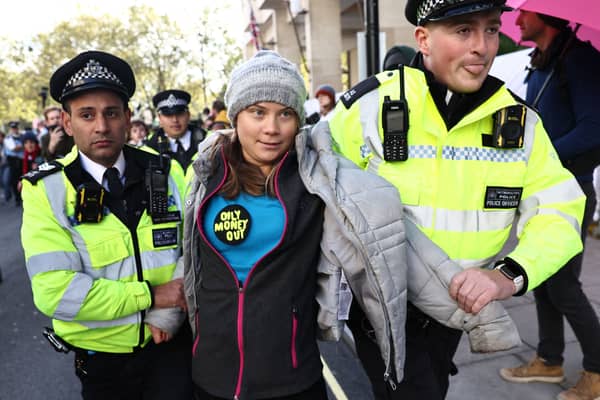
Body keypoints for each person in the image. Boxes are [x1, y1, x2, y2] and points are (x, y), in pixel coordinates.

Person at [181, 49, 523, 400]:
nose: (271, 128)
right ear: (236, 115)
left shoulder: (322, 180)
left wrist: (484, 319)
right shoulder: (205, 173)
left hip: (292, 375)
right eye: (258, 112)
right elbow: (185, 259)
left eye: (285, 113)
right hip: (211, 374)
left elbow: (400, 248)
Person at [327, 1, 586, 399]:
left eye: (492, 29)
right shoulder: (367, 108)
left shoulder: (520, 124)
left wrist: (509, 275)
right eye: (464, 30)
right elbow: (311, 177)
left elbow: (559, 210)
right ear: (423, 39)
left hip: (457, 310)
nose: (483, 46)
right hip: (382, 308)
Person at [20, 50, 192, 400]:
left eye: (111, 113)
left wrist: (168, 316)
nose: (101, 126)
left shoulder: (167, 170)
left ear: (128, 118)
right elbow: (56, 292)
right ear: (67, 124)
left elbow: (198, 247)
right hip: (103, 362)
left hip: (172, 346)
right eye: (87, 115)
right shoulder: (46, 190)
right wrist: (152, 297)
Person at [498, 10, 600, 400]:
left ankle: (596, 369)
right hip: (539, 189)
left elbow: (594, 128)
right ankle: (549, 358)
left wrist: (545, 158)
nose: (517, 18)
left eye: (524, 11)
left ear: (547, 15)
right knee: (539, 278)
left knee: (563, 286)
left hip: (568, 190)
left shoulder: (580, 58)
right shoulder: (544, 60)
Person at [146, 89, 206, 175]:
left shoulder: (209, 142)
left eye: (180, 113)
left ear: (188, 115)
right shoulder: (149, 149)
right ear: (159, 118)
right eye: (168, 115)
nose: (175, 120)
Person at [3, 121, 23, 206]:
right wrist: (23, 145)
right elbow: (14, 148)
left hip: (22, 160)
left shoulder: (21, 136)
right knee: (14, 180)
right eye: (13, 128)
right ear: (10, 129)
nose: (14, 130)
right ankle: (17, 198)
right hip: (13, 161)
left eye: (15, 128)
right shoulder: (8, 138)